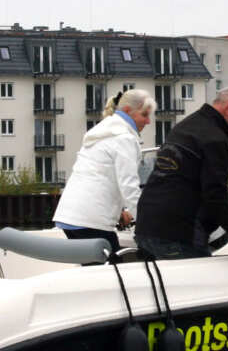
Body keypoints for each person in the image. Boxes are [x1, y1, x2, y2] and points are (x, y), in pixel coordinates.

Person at [135, 86, 228, 260]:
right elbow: (214, 196)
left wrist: (224, 192)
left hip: (146, 225)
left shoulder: (185, 126)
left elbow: (185, 177)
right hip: (178, 232)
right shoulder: (216, 140)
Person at [52, 89, 156, 255]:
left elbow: (99, 176)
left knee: (95, 271)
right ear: (129, 111)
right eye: (144, 115)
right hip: (91, 221)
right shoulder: (125, 138)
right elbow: (129, 187)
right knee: (115, 273)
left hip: (70, 216)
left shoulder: (102, 132)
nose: (148, 121)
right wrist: (149, 224)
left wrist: (121, 212)